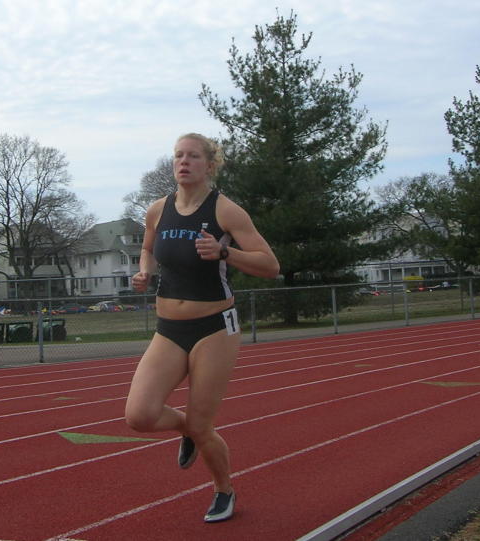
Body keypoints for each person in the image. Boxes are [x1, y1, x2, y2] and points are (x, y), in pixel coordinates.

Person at [125, 133, 280, 522]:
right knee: (139, 416)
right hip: (168, 328)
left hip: (215, 327)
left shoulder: (227, 211)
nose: (183, 162)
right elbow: (147, 248)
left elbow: (269, 265)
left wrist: (224, 251)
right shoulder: (157, 210)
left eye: (193, 156)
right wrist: (144, 272)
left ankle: (224, 489)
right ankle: (187, 431)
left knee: (202, 421)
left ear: (209, 165)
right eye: (178, 155)